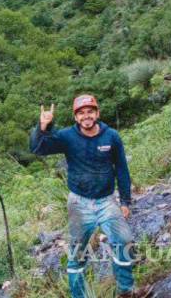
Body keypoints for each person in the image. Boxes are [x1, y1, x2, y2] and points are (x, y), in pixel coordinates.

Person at [30, 95, 135, 297]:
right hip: (79, 203)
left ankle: (126, 290)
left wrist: (125, 201)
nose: (86, 116)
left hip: (107, 201)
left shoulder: (111, 136)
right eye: (81, 113)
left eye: (90, 111)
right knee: (77, 255)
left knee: (124, 240)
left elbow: (122, 168)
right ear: (76, 117)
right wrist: (43, 126)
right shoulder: (67, 136)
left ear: (97, 113)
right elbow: (37, 148)